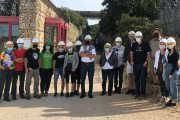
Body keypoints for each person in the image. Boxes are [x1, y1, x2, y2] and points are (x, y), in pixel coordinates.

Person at [130, 31, 150, 99]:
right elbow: (131, 53)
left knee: (143, 79)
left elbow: (148, 53)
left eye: (139, 37)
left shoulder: (145, 44)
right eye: (136, 37)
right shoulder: (134, 45)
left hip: (143, 64)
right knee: (136, 79)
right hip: (135, 64)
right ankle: (137, 93)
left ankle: (143, 93)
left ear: (141, 37)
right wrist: (132, 60)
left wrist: (146, 61)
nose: (138, 38)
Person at [154, 38, 170, 103]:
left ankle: (167, 96)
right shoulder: (157, 52)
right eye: (161, 44)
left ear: (166, 45)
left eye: (163, 44)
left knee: (166, 83)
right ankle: (163, 95)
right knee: (161, 83)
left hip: (166, 70)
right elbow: (156, 61)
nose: (162, 45)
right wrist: (155, 68)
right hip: (159, 70)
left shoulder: (168, 52)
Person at [165, 37, 179, 107]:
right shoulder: (169, 51)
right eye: (168, 44)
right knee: (167, 85)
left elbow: (175, 65)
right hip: (168, 69)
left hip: (173, 70)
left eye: (171, 43)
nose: (170, 45)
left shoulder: (176, 53)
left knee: (173, 86)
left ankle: (174, 101)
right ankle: (173, 97)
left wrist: (171, 73)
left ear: (174, 44)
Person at [150, 28, 163, 97]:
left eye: (157, 32)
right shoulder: (151, 41)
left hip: (161, 60)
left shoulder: (163, 40)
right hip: (153, 60)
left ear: (160, 33)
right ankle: (155, 91)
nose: (156, 33)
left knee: (160, 74)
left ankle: (160, 92)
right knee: (154, 75)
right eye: (154, 32)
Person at [123, 31, 136, 95]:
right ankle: (130, 88)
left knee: (135, 75)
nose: (131, 37)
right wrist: (125, 61)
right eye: (130, 35)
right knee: (130, 75)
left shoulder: (137, 44)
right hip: (128, 61)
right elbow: (125, 53)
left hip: (136, 62)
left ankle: (135, 89)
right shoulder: (127, 44)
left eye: (132, 35)